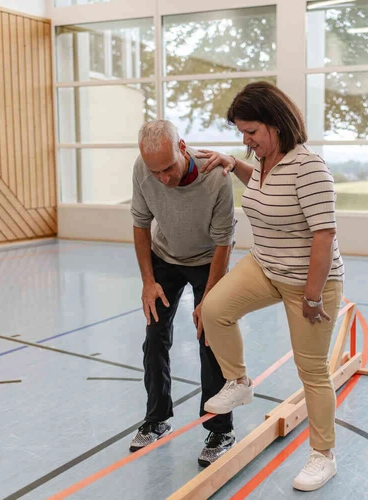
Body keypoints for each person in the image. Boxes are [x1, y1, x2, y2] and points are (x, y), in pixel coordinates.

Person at [197, 81, 345, 492]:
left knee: (312, 370)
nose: (246, 140)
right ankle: (239, 382)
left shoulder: (309, 168)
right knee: (214, 309)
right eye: (241, 133)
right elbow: (266, 191)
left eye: (251, 131)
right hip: (265, 266)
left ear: (276, 123)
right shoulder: (264, 161)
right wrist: (234, 163)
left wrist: (312, 296)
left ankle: (323, 456)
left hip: (309, 282)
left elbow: (324, 235)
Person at [128, 120, 237, 468]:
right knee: (154, 336)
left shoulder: (216, 177)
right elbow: (140, 224)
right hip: (165, 258)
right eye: (155, 171)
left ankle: (220, 430)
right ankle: (156, 418)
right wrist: (148, 282)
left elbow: (224, 243)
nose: (163, 178)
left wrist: (209, 299)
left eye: (168, 168)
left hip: (208, 261)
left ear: (183, 147)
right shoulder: (143, 169)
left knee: (209, 338)